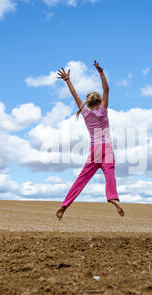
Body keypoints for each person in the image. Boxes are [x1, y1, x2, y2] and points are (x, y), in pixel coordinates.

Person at [55, 60, 124, 221]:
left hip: (94, 150)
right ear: (99, 102)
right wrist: (101, 72)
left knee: (82, 178)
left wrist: (67, 80)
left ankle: (65, 205)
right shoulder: (103, 111)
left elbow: (75, 95)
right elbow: (107, 89)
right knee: (110, 175)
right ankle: (112, 197)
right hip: (105, 148)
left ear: (88, 102)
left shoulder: (85, 113)